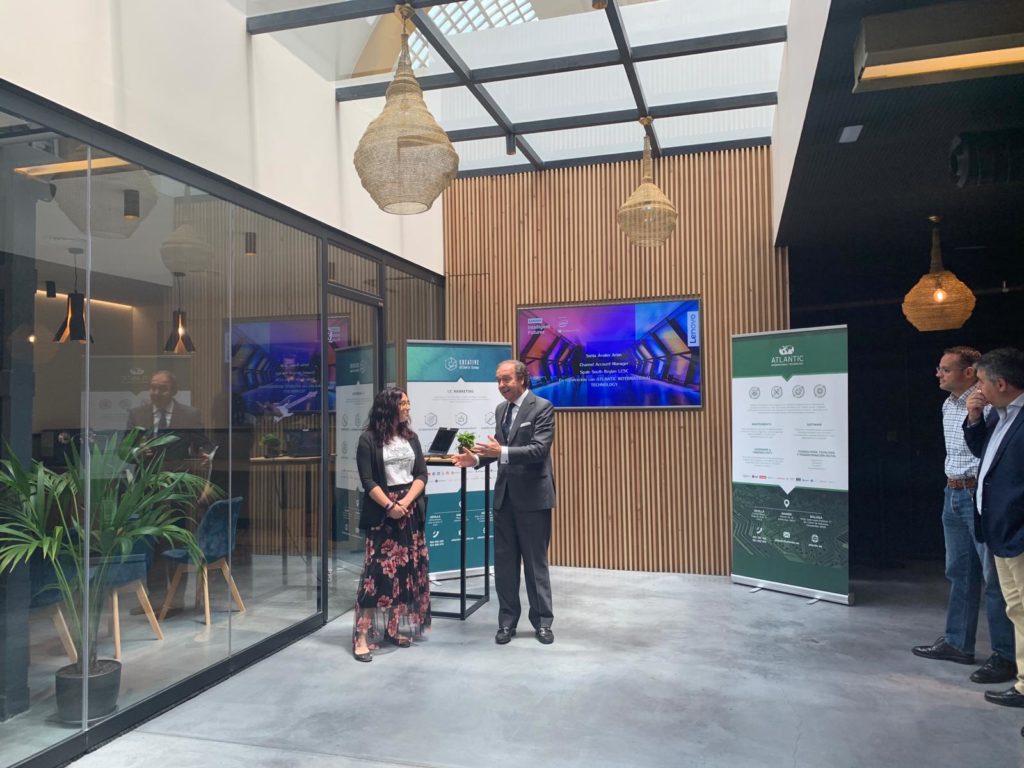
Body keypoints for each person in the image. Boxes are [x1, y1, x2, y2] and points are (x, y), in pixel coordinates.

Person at [913, 347, 1016, 684]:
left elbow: (987, 449)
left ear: (970, 372)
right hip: (952, 491)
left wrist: (976, 416)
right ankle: (958, 643)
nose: (938, 374)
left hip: (978, 494)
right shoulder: (948, 405)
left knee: (995, 579)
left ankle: (1005, 655)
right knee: (959, 571)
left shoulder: (990, 404)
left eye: (945, 369)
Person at [452, 359, 556, 645]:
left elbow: (539, 449)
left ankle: (543, 622)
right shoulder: (501, 410)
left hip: (534, 499)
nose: (501, 386)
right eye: (498, 380)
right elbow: (496, 450)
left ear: (522, 379)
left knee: (536, 565)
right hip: (504, 499)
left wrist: (502, 451)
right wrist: (474, 459)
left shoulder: (543, 406)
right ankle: (507, 621)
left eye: (506, 380)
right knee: (505, 565)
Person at [961, 348, 1024, 707]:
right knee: (1016, 610)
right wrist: (974, 415)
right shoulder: (1001, 416)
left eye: (981, 381)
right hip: (999, 531)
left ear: (1000, 382)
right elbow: (982, 452)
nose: (977, 388)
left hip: (1016, 533)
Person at [352, 388, 430, 662]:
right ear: (389, 408)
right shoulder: (368, 439)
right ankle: (361, 637)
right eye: (404, 403)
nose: (408, 407)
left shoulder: (411, 437)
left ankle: (393, 629)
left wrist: (406, 503)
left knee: (404, 574)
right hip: (383, 513)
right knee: (376, 577)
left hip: (409, 511)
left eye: (408, 402)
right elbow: (368, 481)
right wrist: (390, 507)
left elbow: (421, 473)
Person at [126, 370, 209, 466]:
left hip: (178, 474)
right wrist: (137, 452)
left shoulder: (190, 415)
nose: (157, 393)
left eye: (163, 389)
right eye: (153, 388)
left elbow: (203, 443)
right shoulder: (137, 414)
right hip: (145, 476)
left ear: (174, 391)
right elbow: (124, 450)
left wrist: (204, 452)